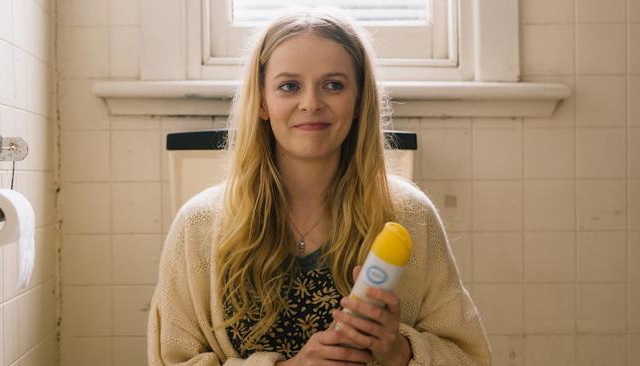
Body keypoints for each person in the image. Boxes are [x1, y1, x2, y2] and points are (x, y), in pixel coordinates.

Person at [148, 7, 491, 366]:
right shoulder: (197, 227)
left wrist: (398, 351)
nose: (311, 103)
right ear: (263, 102)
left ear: (359, 100)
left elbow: (471, 358)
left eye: (334, 85)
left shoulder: (412, 216)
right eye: (289, 86)